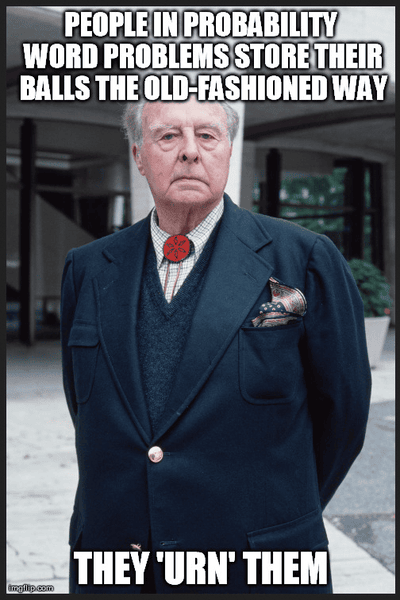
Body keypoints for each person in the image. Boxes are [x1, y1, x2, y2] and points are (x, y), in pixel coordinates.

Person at [61, 97, 371, 594]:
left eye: (207, 135)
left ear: (228, 149)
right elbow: (89, 411)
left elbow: (344, 416)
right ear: (138, 155)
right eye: (168, 136)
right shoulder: (88, 269)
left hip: (256, 568)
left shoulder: (306, 260)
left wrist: (279, 513)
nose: (190, 151)